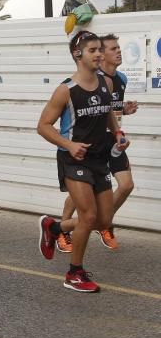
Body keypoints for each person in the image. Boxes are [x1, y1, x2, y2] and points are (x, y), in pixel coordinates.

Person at [36, 31, 128, 293]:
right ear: (78, 55)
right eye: (92, 50)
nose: (99, 54)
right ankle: (74, 273)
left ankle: (52, 227)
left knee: (102, 221)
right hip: (73, 158)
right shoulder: (66, 90)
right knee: (87, 216)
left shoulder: (106, 84)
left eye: (100, 49)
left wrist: (118, 133)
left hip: (99, 158)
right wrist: (69, 145)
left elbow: (108, 110)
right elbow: (43, 126)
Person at [55, 33, 137, 252]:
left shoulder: (119, 79)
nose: (116, 52)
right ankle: (62, 230)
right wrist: (70, 144)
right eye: (111, 49)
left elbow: (107, 111)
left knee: (127, 185)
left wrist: (123, 117)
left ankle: (104, 223)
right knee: (84, 198)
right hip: (85, 147)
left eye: (108, 49)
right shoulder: (83, 81)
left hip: (111, 141)